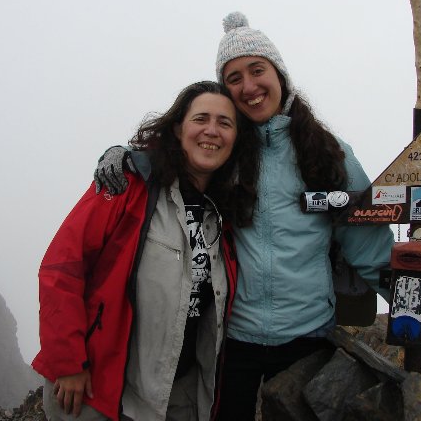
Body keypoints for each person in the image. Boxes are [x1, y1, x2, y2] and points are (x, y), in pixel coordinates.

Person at [94, 13, 421, 420]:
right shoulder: (225, 151)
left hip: (309, 334)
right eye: (234, 78)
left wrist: (416, 309)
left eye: (257, 70)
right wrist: (127, 159)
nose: (249, 87)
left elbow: (366, 242)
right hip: (232, 339)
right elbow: (177, 159)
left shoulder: (328, 153)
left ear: (279, 73)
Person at [32, 81, 258, 421]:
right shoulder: (128, 183)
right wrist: (66, 363)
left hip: (178, 392)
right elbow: (63, 268)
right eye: (201, 118)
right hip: (99, 388)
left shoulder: (225, 212)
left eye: (225, 123)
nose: (212, 131)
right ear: (178, 127)